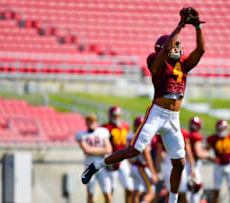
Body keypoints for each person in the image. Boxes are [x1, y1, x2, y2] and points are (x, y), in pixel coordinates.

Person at [82, 7, 205, 203]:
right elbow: (165, 50)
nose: (177, 47)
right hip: (157, 113)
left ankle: (172, 201)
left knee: (180, 164)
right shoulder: (155, 61)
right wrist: (180, 26)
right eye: (174, 44)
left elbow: (201, 50)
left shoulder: (183, 64)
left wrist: (197, 26)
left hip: (174, 118)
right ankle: (96, 165)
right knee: (134, 151)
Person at [205, 120, 230, 203]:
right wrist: (211, 158)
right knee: (216, 190)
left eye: (221, 129)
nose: (220, 131)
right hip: (218, 166)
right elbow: (204, 151)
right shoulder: (214, 138)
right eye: (218, 129)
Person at [76, 114, 113, 203]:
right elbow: (86, 150)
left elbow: (109, 149)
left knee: (107, 192)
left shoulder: (102, 132)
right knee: (90, 192)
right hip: (89, 166)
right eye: (89, 122)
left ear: (96, 122)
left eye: (92, 122)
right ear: (86, 123)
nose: (91, 124)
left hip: (101, 166)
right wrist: (102, 150)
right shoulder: (81, 135)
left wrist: (92, 150)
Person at [102, 106, 134, 203]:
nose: (116, 117)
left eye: (118, 115)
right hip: (111, 159)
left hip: (123, 160)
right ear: (110, 115)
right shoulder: (105, 128)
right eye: (114, 115)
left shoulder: (126, 126)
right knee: (110, 189)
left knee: (129, 187)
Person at [156, 128, 196, 203]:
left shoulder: (183, 132)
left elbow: (188, 151)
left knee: (182, 191)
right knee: (171, 191)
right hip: (171, 161)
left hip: (178, 160)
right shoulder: (163, 132)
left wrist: (192, 168)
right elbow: (159, 152)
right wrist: (157, 169)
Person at [127, 116, 159, 203]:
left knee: (136, 192)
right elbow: (147, 156)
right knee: (151, 192)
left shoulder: (129, 136)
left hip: (133, 166)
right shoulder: (143, 136)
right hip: (141, 167)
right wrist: (153, 172)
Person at [186, 116, 210, 203]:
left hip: (187, 163)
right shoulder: (196, 136)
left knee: (190, 189)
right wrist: (208, 156)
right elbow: (198, 153)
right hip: (193, 165)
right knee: (196, 188)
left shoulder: (189, 136)